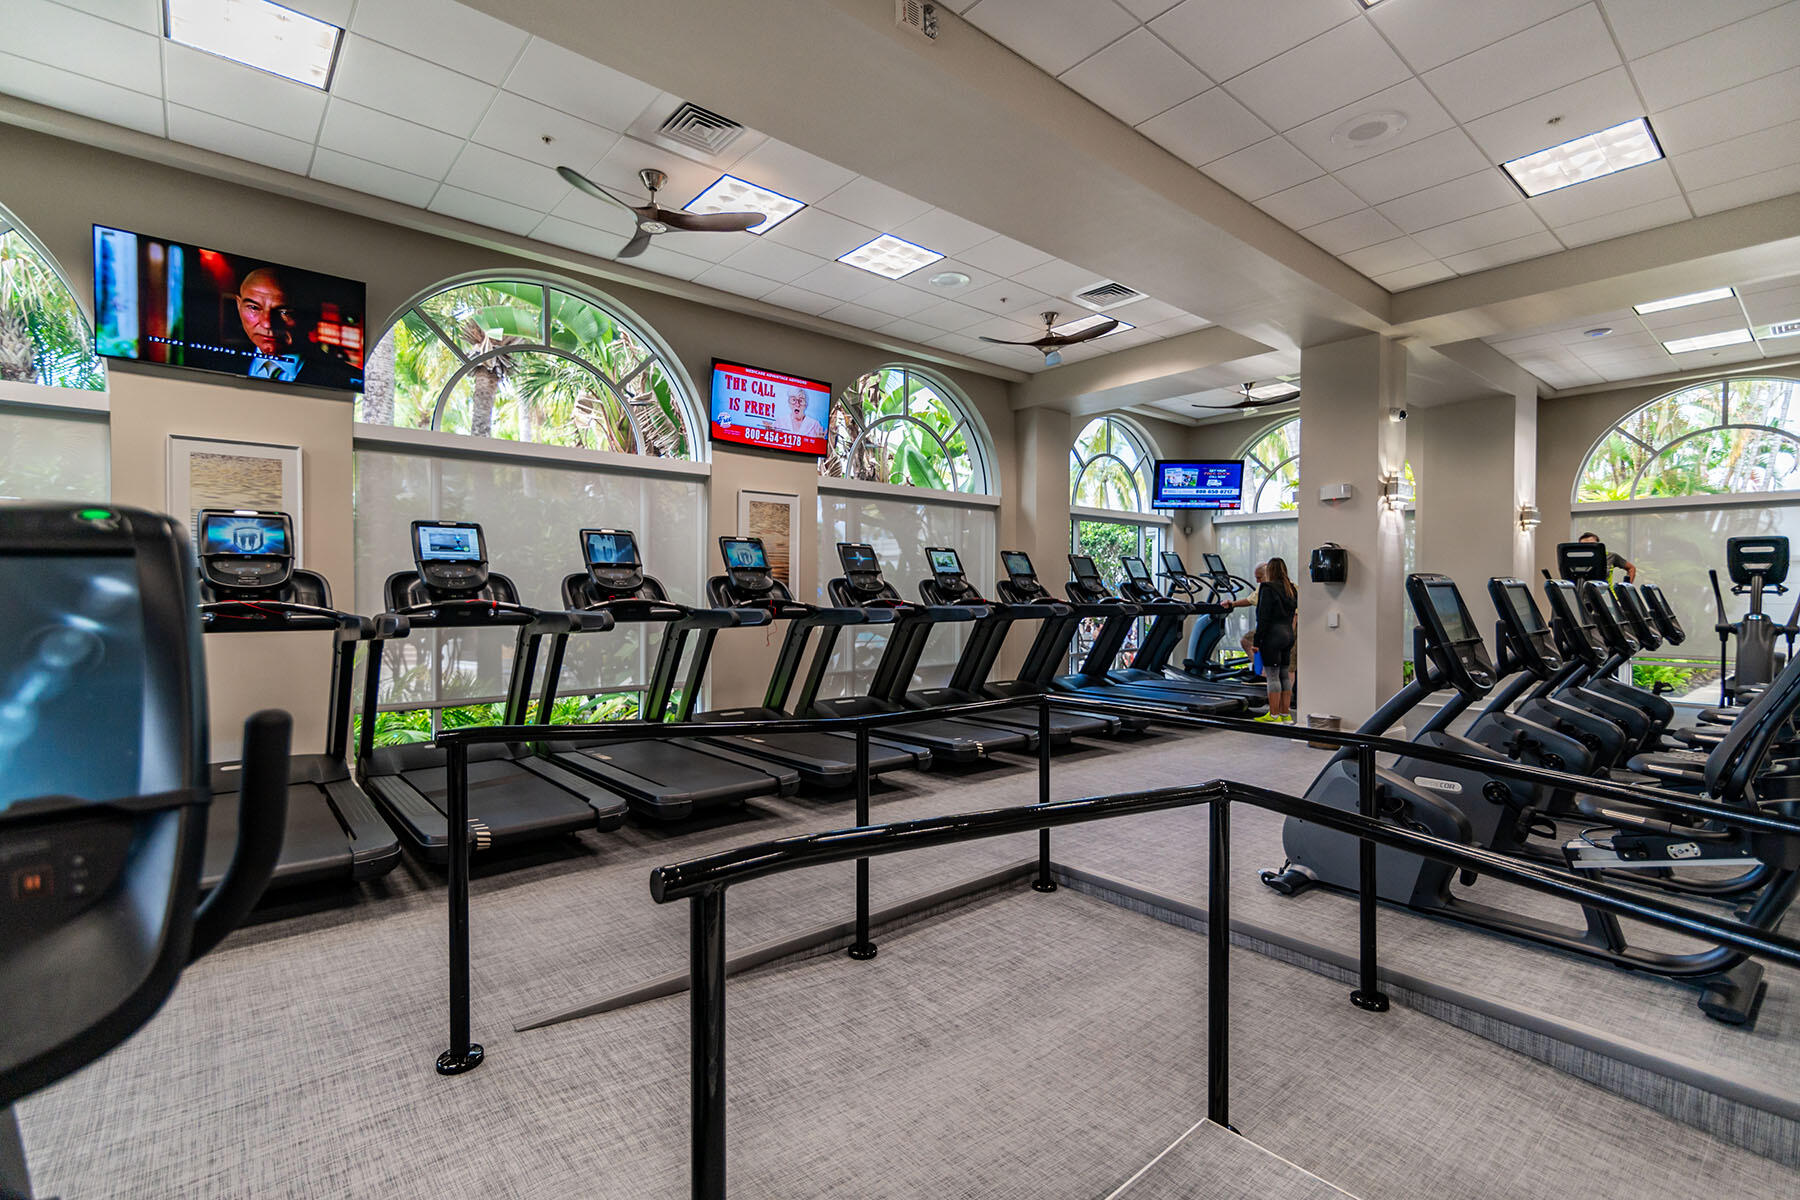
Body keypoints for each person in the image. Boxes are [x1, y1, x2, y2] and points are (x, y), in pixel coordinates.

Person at [235, 266, 359, 389]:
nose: (267, 324)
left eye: (284, 312)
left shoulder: (347, 379)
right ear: (238, 305)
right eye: (254, 308)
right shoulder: (226, 359)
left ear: (310, 317)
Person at [1254, 556, 1299, 721]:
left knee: (1272, 676)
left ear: (1270, 571)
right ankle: (1285, 714)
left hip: (1272, 637)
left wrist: (1257, 641)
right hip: (1288, 635)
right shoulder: (1291, 589)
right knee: (1284, 675)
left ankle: (1273, 715)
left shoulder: (1267, 588)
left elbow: (1263, 617)